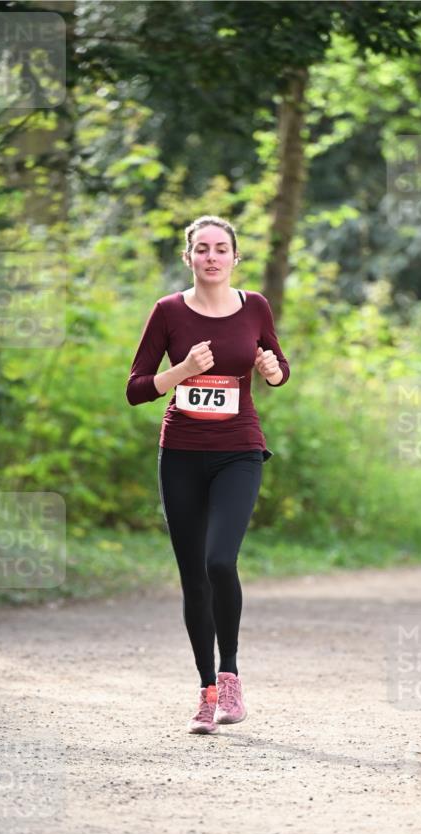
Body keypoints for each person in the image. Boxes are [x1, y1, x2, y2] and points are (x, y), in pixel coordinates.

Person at [125, 215, 290, 735]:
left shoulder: (255, 306)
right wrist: (181, 372)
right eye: (202, 249)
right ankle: (206, 692)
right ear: (189, 258)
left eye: (221, 248)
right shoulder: (168, 311)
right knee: (193, 576)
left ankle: (231, 674)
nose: (212, 257)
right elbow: (136, 387)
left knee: (220, 560)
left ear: (235, 258)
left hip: (239, 449)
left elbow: (279, 368)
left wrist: (271, 372)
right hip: (181, 453)